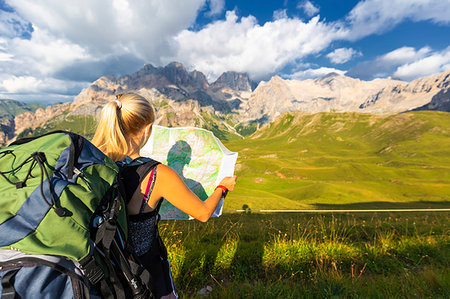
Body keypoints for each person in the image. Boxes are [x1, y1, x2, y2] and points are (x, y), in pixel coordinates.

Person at [92, 93, 237, 298]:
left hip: (104, 272)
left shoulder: (95, 164)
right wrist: (222, 187)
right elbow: (203, 213)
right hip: (145, 273)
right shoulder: (157, 174)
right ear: (148, 129)